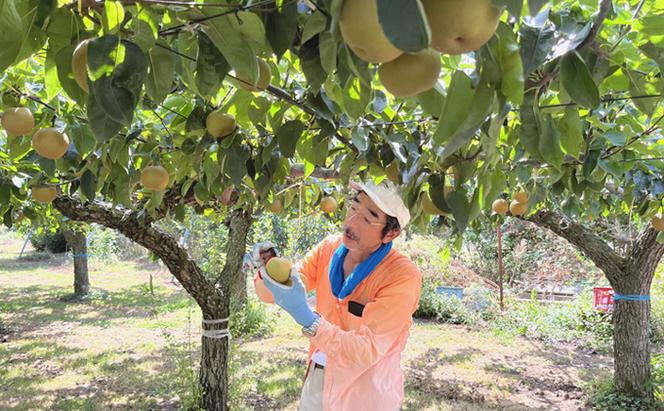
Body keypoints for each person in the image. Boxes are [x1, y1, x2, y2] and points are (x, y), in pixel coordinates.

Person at [247, 179, 422, 411]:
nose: (351, 222)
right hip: (317, 381)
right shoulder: (329, 249)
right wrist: (267, 269)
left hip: (366, 394)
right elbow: (275, 292)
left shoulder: (401, 276)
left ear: (390, 233)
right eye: (353, 207)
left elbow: (366, 350)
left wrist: (310, 322)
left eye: (367, 217)